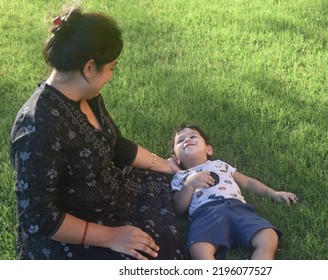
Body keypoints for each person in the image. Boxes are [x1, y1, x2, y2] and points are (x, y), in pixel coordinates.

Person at [9, 7, 185, 260]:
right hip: (69, 232)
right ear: (90, 68)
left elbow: (118, 146)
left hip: (108, 197)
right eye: (112, 68)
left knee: (159, 196)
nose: (112, 76)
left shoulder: (86, 95)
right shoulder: (37, 126)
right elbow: (39, 217)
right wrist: (112, 237)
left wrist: (167, 166)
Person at [170, 124, 298, 260]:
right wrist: (190, 185)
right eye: (180, 140)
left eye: (193, 136)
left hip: (238, 209)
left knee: (268, 236)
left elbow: (248, 182)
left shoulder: (220, 164)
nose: (187, 140)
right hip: (205, 215)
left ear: (209, 149)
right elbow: (178, 209)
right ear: (177, 159)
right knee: (198, 249)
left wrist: (274, 193)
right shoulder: (181, 177)